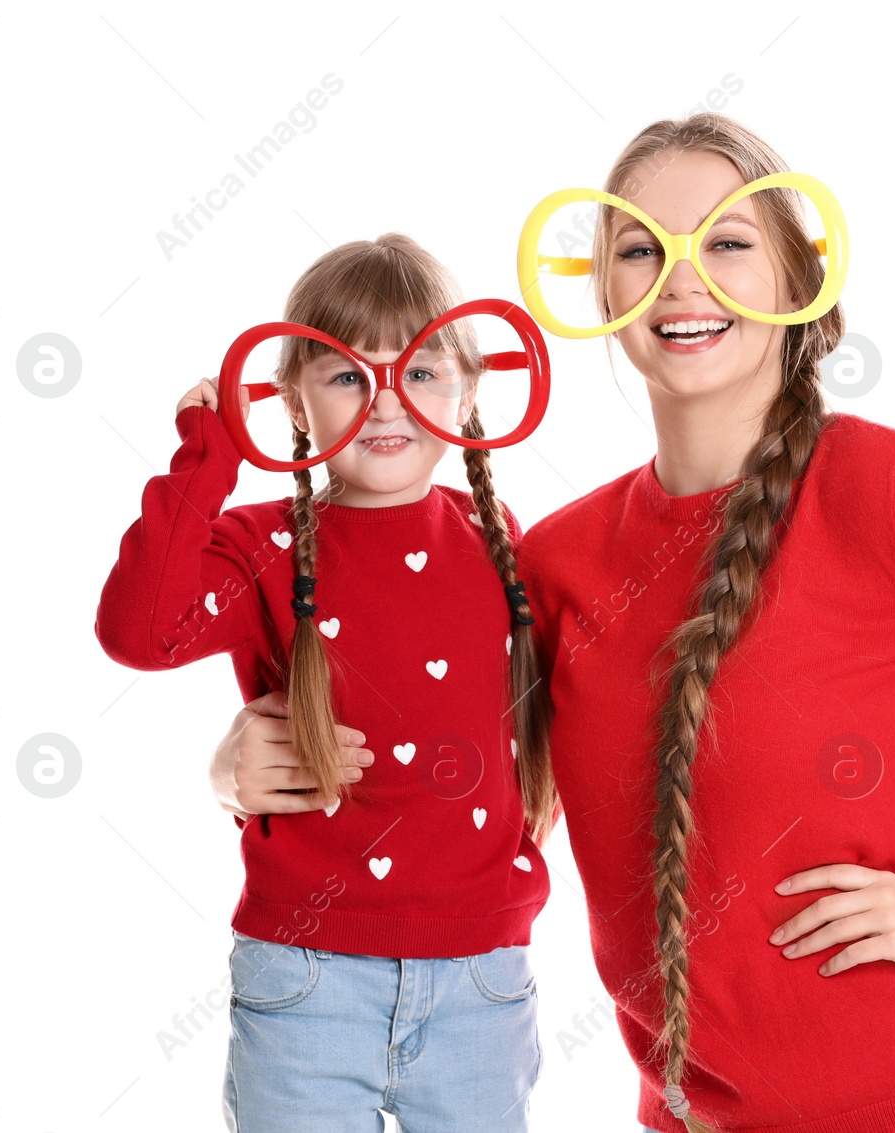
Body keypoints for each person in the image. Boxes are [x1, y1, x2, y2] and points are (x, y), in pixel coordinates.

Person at [206, 115, 895, 1133]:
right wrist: (242, 762)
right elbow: (446, 746)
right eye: (640, 249)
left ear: (798, 280)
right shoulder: (557, 560)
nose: (682, 277)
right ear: (602, 296)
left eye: (728, 242)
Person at [94, 233, 557, 1132]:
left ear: (468, 390)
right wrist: (209, 454)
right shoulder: (261, 543)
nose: (386, 400)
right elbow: (139, 633)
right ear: (293, 400)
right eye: (348, 375)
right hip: (303, 977)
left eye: (422, 371)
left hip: (482, 980)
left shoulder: (504, 546)